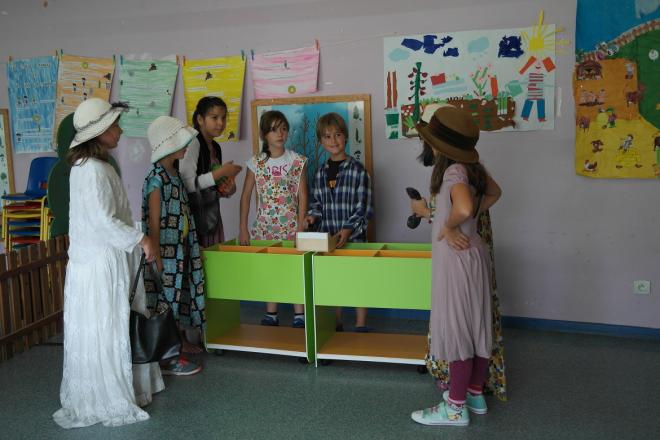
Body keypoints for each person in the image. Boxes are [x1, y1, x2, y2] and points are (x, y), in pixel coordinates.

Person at [53, 98, 163, 429]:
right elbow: (103, 221)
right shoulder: (94, 170)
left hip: (93, 263)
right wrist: (141, 239)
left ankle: (111, 388)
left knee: (102, 329)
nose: (120, 130)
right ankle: (107, 395)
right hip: (100, 265)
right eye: (114, 125)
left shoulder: (87, 167)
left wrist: (134, 238)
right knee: (107, 327)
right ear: (99, 134)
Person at [409, 104, 502, 427]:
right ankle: (474, 393)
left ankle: (454, 407)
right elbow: (494, 192)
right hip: (474, 254)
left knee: (458, 329)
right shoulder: (472, 169)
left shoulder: (452, 172)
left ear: (438, 144)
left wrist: (449, 226)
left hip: (457, 260)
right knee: (475, 326)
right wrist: (469, 216)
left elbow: (462, 206)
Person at [142, 116, 206, 375]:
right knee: (165, 300)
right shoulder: (156, 178)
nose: (186, 146)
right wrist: (156, 254)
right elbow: (154, 222)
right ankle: (168, 354)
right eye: (180, 142)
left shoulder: (174, 174)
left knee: (178, 296)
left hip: (180, 249)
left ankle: (178, 341)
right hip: (164, 253)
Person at [305, 112, 373, 331]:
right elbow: (316, 204)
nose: (333, 141)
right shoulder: (319, 174)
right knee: (333, 283)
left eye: (337, 135)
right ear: (321, 142)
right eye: (327, 136)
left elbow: (364, 207)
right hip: (328, 240)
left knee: (358, 282)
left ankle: (361, 324)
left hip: (354, 240)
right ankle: (336, 322)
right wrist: (311, 217)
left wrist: (347, 229)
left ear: (345, 137)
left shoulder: (358, 171)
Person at [238, 110, 308, 327]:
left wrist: (300, 227)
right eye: (274, 129)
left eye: (284, 128)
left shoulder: (297, 161)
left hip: (290, 227)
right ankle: (271, 313)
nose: (280, 134)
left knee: (294, 269)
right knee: (270, 270)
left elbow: (303, 196)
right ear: (264, 134)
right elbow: (246, 196)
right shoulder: (255, 163)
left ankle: (299, 314)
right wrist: (243, 228)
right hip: (265, 227)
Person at [179, 96, 242, 248]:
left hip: (211, 216)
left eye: (223, 118)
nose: (221, 123)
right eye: (214, 117)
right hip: (194, 218)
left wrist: (229, 189)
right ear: (200, 119)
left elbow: (212, 186)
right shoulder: (193, 143)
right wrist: (221, 173)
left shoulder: (216, 147)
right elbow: (187, 184)